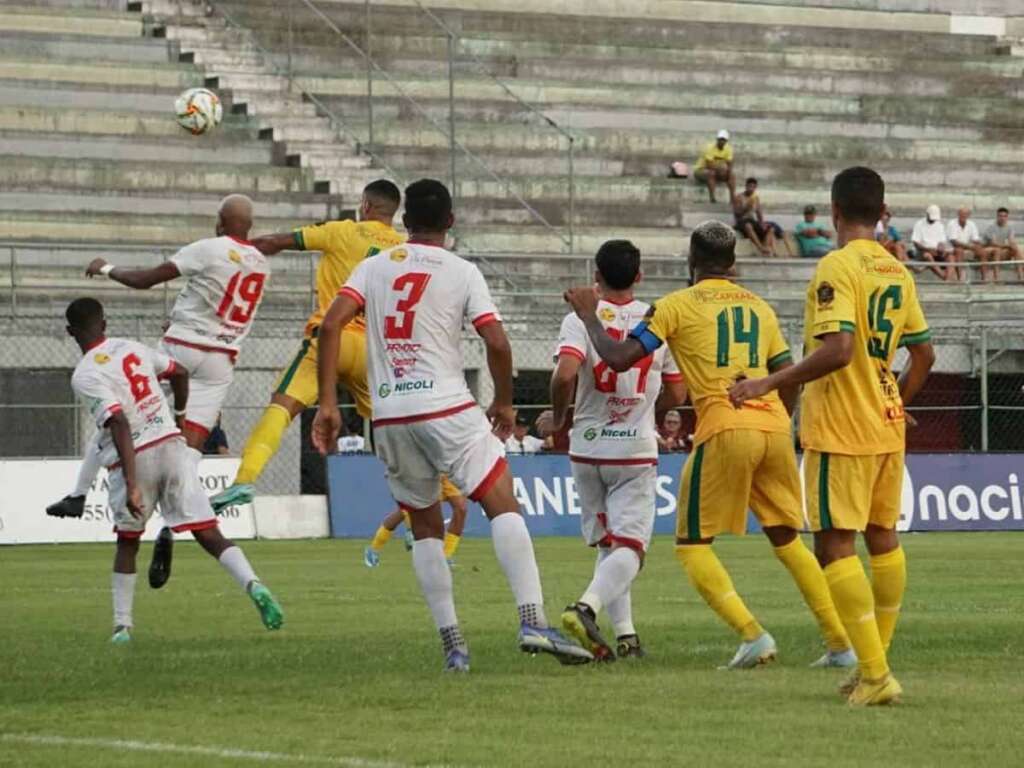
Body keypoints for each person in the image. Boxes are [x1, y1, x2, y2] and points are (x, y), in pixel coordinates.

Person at [311, 178, 590, 671]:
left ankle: (454, 646)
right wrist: (504, 402)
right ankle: (531, 619)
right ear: (451, 222)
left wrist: (329, 404)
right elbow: (498, 343)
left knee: (423, 524)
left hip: (390, 413)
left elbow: (331, 324)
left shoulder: (372, 267)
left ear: (405, 222)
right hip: (444, 405)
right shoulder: (462, 271)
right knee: (502, 502)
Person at [565, 220, 856, 673]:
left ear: (691, 260)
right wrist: (777, 419)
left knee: (692, 544)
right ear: (734, 262)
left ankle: (752, 635)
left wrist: (587, 314)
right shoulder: (760, 307)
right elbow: (786, 371)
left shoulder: (674, 306)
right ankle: (841, 644)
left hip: (724, 426)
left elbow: (620, 357)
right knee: (787, 538)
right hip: (776, 428)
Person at [730, 167, 936, 706]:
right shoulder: (898, 269)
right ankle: (875, 664)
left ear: (836, 212)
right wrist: (896, 399)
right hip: (888, 427)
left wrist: (768, 381)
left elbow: (838, 349)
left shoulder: (836, 265)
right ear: (882, 210)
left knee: (834, 543)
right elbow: (924, 354)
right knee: (882, 536)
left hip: (841, 427)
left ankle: (874, 674)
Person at [65, 297, 283, 643]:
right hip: (172, 447)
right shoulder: (132, 347)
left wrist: (133, 484)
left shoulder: (85, 374)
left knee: (128, 543)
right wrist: (181, 416)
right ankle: (254, 584)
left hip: (135, 458)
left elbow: (118, 422)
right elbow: (178, 371)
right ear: (105, 324)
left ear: (70, 332)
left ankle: (123, 627)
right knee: (210, 534)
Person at [47, 195, 268, 521]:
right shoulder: (261, 263)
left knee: (117, 411)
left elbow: (145, 280)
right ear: (250, 225)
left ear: (219, 222)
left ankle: (79, 494)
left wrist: (105, 267)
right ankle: (180, 520)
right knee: (189, 448)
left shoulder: (209, 247)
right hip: (220, 362)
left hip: (182, 347)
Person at [211, 180, 405, 511]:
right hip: (373, 352)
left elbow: (275, 242)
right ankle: (421, 514)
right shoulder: (403, 247)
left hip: (330, 341)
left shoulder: (342, 231)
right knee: (396, 432)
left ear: (366, 206)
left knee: (281, 407)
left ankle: (245, 480)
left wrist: (234, 250)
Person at [551, 239, 686, 661]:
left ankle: (626, 636)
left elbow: (563, 376)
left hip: (588, 449)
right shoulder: (657, 318)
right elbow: (678, 390)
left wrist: (559, 418)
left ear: (596, 275)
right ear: (639, 276)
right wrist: (650, 410)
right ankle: (585, 608)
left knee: (611, 545)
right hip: (633, 449)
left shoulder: (579, 319)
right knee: (631, 547)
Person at [364, 476, 467, 567]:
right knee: (406, 511)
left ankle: (445, 556)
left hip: (447, 473)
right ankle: (374, 549)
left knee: (461, 508)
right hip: (425, 473)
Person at [732, 178, 784, 257]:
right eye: (750, 186)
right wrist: (746, 207)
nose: (751, 189)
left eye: (753, 187)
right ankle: (761, 248)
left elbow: (759, 212)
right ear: (746, 186)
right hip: (741, 222)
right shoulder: (739, 197)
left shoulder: (755, 198)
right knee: (748, 225)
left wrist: (762, 223)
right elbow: (737, 214)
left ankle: (766, 248)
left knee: (770, 228)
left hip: (752, 221)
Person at [694, 129, 736, 204]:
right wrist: (721, 169)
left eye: (724, 140)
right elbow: (709, 165)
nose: (721, 141)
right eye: (720, 139)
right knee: (711, 173)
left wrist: (728, 172)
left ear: (726, 141)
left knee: (731, 175)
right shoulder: (709, 147)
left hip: (718, 170)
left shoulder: (728, 149)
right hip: (701, 170)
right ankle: (712, 198)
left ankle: (732, 199)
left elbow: (730, 164)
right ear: (717, 139)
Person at [982, 207, 1023, 283]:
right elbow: (993, 243)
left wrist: (1013, 245)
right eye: (1000, 216)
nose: (1002, 218)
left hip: (1001, 251)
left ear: (1007, 217)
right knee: (997, 250)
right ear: (997, 216)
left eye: (1004, 216)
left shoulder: (1009, 228)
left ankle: (1021, 277)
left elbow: (1011, 241)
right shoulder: (991, 227)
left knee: (1016, 249)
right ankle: (996, 278)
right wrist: (1007, 246)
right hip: (988, 251)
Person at [910, 204, 949, 280]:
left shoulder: (940, 225)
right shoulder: (919, 224)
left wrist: (940, 248)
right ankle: (942, 276)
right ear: (927, 214)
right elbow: (916, 243)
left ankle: (951, 279)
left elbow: (942, 242)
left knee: (950, 256)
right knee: (927, 255)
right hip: (922, 252)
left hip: (936, 251)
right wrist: (929, 250)